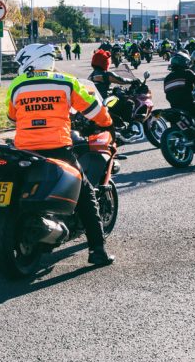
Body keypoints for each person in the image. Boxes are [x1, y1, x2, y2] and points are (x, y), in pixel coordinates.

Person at [8, 43, 115, 266]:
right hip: (57, 148)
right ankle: (97, 251)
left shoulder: (17, 85)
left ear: (32, 61)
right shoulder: (66, 82)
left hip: (24, 149)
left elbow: (12, 116)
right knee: (86, 195)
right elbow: (94, 111)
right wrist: (108, 121)